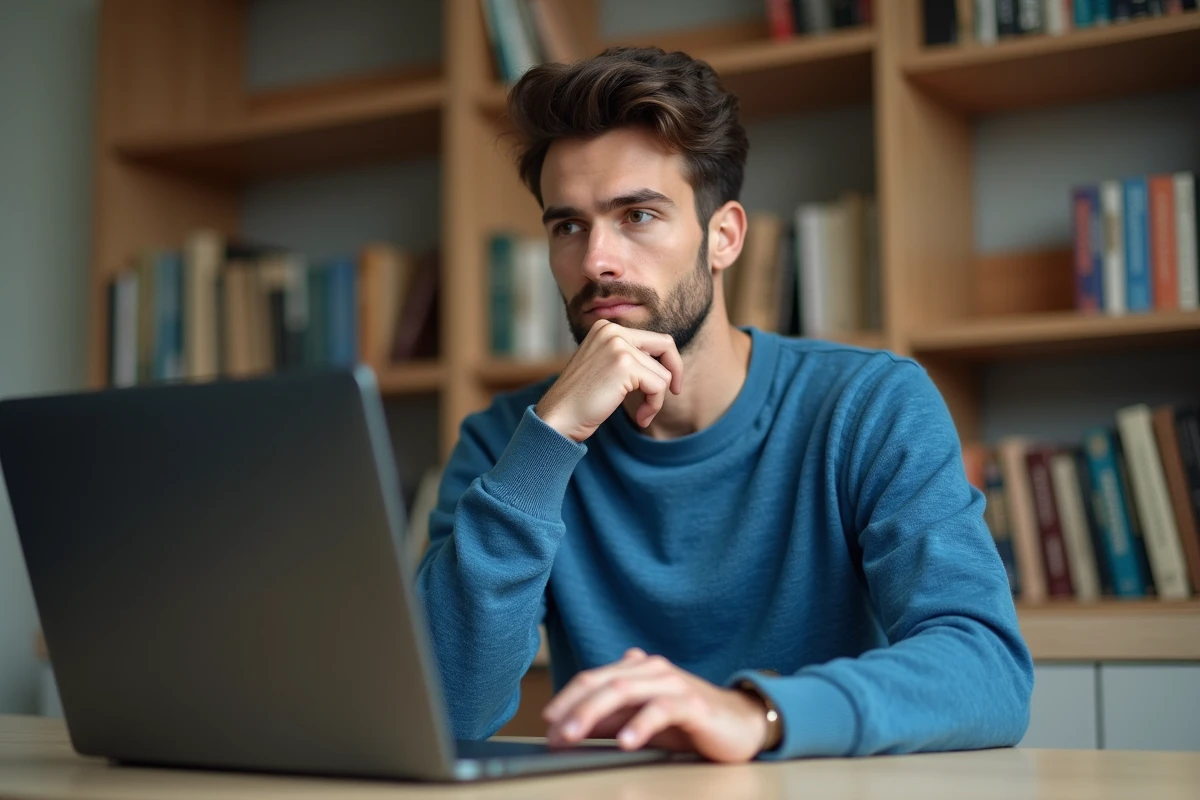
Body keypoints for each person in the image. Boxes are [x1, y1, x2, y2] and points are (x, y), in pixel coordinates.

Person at [415, 46, 1032, 763]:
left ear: (725, 236)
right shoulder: (511, 443)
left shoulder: (868, 405)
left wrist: (756, 713)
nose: (596, 261)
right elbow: (444, 712)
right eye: (568, 226)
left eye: (638, 215)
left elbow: (986, 669)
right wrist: (549, 444)